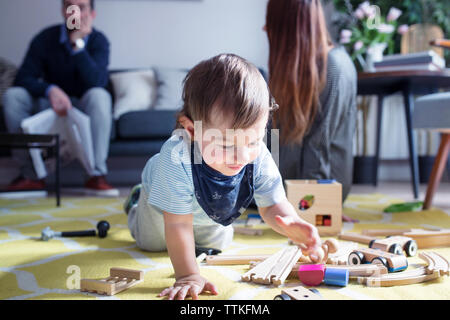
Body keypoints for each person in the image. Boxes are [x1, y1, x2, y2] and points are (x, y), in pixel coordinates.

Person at [123, 54, 322, 300]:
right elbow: (177, 224)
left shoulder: (256, 153)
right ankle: (135, 199)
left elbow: (272, 204)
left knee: (216, 246)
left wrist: (292, 224)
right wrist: (188, 275)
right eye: (226, 145)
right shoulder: (176, 157)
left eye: (253, 140)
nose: (241, 155)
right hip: (161, 207)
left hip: (210, 211)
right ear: (192, 130)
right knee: (151, 243)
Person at [2, 0, 118, 196]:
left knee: (100, 96)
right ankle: (31, 175)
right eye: (69, 6)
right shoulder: (45, 39)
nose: (74, 12)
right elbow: (23, 78)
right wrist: (50, 90)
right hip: (49, 105)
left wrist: (78, 45)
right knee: (13, 96)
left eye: (81, 7)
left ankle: (95, 175)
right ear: (63, 10)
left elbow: (97, 81)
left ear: (92, 14)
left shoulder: (99, 41)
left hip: (83, 106)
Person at [264, 0, 357, 203]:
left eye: (271, 23)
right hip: (291, 178)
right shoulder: (302, 66)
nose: (265, 28)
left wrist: (320, 205)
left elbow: (319, 145)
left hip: (318, 186)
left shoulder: (334, 67)